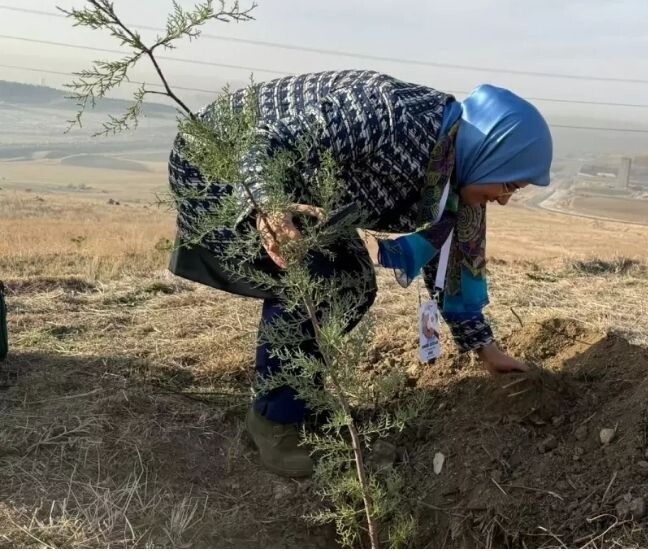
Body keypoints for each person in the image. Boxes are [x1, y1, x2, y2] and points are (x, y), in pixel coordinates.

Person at [167, 70, 554, 477]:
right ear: (490, 150)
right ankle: (275, 422)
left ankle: (298, 399)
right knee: (326, 276)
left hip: (281, 184)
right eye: (508, 183)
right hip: (218, 165)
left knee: (348, 279)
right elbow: (264, 142)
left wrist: (485, 350)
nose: (505, 200)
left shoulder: (455, 173)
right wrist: (269, 206)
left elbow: (455, 269)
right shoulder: (391, 115)